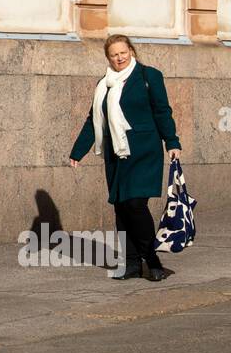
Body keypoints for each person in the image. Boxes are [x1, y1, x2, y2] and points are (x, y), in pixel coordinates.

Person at [68, 34, 182, 281]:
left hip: (143, 150)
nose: (119, 58)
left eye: (123, 52)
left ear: (131, 51)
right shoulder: (105, 84)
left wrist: (171, 141)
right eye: (113, 55)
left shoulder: (149, 76)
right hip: (116, 154)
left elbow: (162, 111)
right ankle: (130, 263)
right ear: (108, 58)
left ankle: (151, 259)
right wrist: (78, 151)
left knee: (135, 205)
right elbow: (94, 119)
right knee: (121, 209)